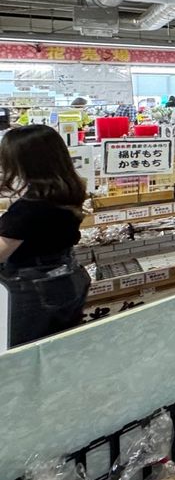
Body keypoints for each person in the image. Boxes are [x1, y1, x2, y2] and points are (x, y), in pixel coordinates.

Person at [0, 124, 90, 346]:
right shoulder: (68, 190)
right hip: (67, 277)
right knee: (60, 346)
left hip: (36, 290)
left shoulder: (29, 207)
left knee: (26, 353)